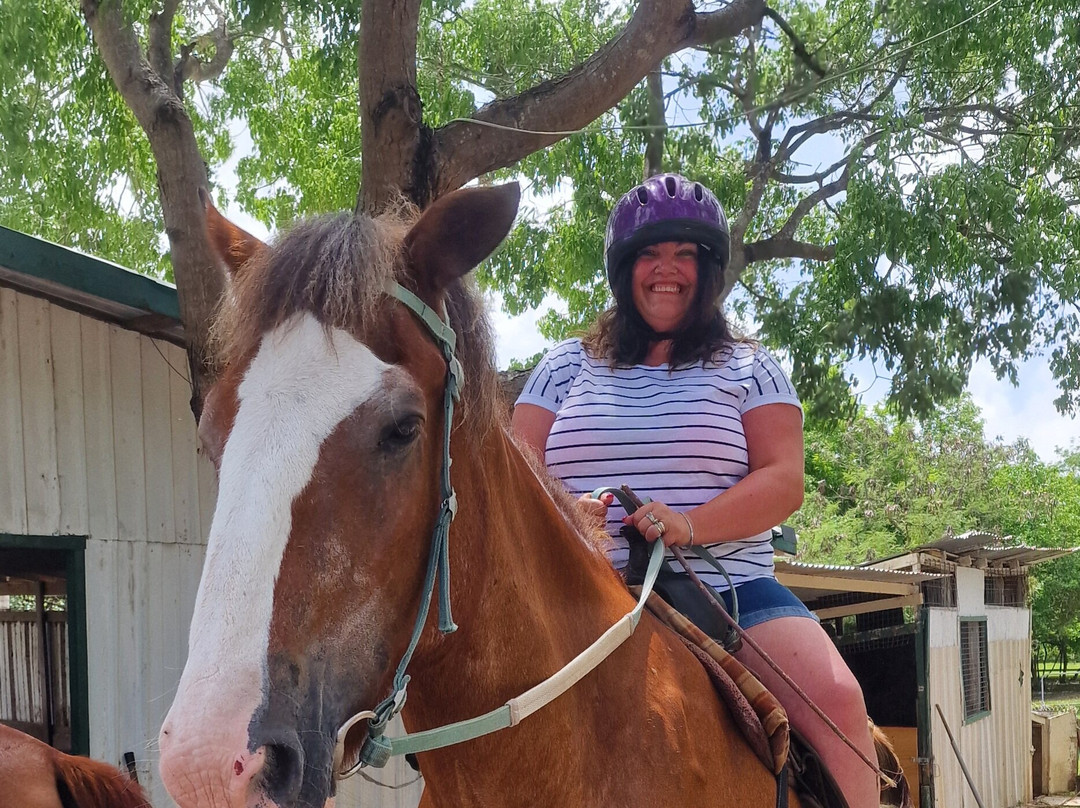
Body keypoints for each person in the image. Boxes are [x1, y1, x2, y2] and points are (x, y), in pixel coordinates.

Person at [511, 173, 878, 807]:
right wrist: (570, 515)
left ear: (707, 270)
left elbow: (783, 478)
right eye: (651, 254)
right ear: (625, 269)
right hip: (567, 594)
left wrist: (689, 523)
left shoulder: (749, 366)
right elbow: (517, 472)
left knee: (839, 700)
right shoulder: (563, 366)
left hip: (724, 591)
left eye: (686, 254)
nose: (667, 270)